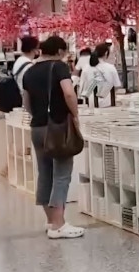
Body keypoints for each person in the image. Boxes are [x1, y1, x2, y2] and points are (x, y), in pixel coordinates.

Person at [20, 36, 84, 239]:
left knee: (45, 172)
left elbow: (26, 102)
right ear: (59, 51)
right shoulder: (59, 67)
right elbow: (69, 93)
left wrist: (38, 116)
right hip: (57, 127)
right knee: (62, 174)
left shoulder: (29, 71)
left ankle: (50, 221)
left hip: (37, 128)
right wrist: (75, 115)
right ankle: (59, 224)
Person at [79, 43, 122, 108]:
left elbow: (82, 87)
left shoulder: (86, 68)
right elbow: (117, 86)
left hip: (91, 103)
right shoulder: (111, 68)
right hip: (107, 102)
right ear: (106, 53)